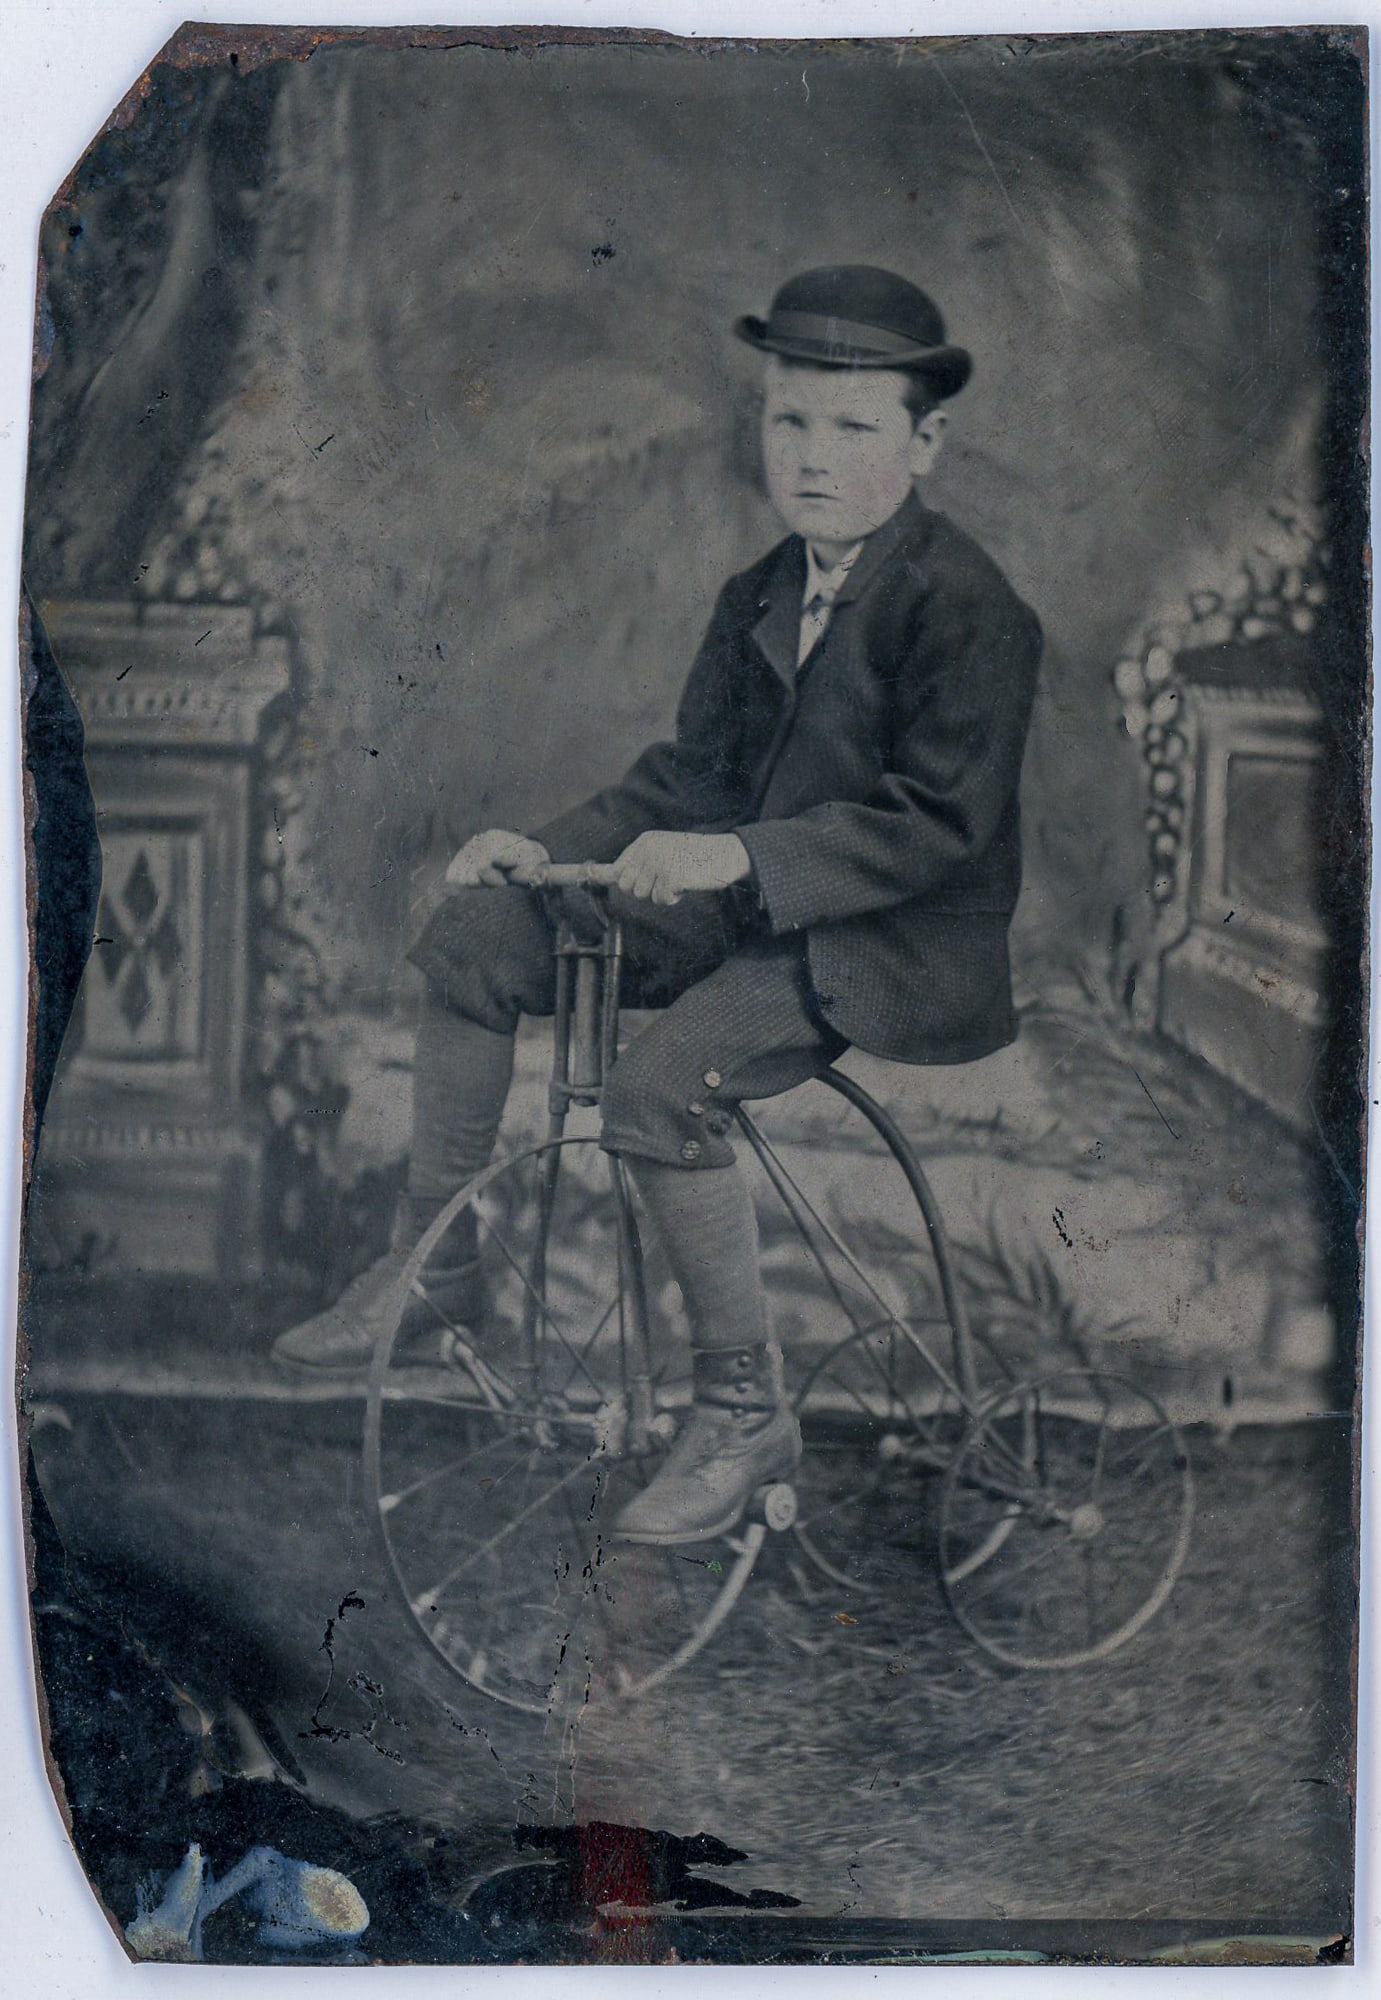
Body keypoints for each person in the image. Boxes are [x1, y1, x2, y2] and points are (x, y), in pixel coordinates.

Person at [273, 264, 1042, 1545]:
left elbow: (937, 824)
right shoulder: (758, 591)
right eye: (787, 420)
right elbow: (685, 780)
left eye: (852, 428)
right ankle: (436, 1266)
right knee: (476, 939)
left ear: (925, 441)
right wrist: (546, 847)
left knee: (656, 1081)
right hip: (755, 901)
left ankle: (742, 1408)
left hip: (883, 939)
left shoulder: (970, 612)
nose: (811, 456)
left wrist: (735, 858)